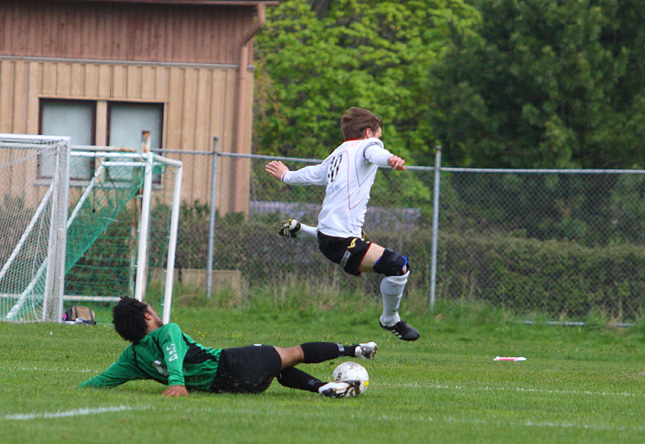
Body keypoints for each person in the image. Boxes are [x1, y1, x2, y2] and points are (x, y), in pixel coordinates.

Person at [265, 107, 419, 341]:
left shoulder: (337, 154)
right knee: (398, 266)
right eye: (379, 136)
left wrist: (286, 175)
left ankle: (307, 232)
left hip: (333, 237)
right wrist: (390, 159)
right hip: (341, 241)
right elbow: (376, 154)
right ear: (368, 132)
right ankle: (390, 319)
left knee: (379, 252)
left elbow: (311, 174)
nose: (379, 141)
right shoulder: (369, 146)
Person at [79, 297, 377, 398]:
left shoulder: (130, 357)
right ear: (147, 315)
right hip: (232, 364)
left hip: (232, 387)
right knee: (292, 353)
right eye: (152, 309)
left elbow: (100, 382)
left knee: (280, 368)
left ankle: (323, 387)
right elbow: (172, 352)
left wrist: (79, 389)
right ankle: (354, 350)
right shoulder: (167, 331)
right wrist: (176, 381)